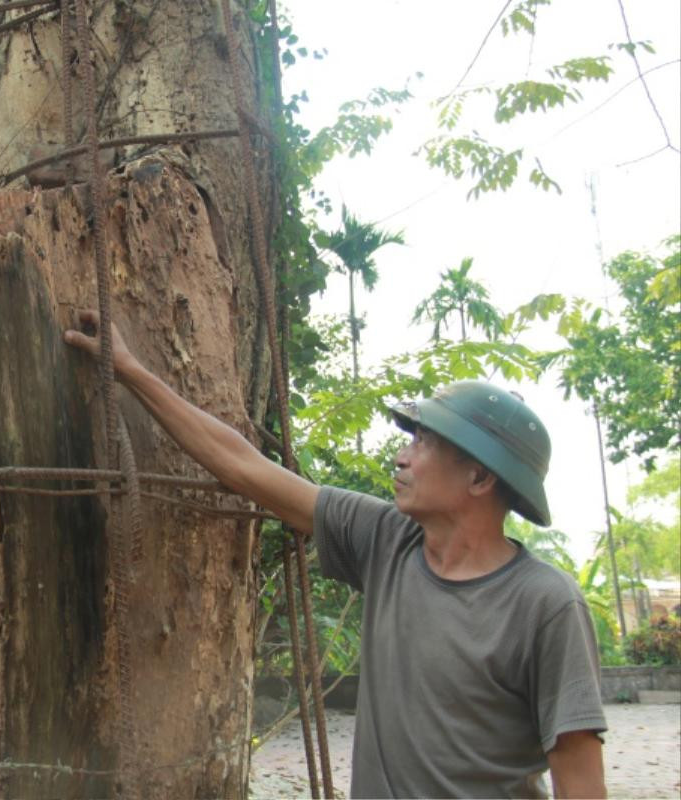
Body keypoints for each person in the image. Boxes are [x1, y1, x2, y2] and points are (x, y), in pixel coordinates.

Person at [64, 309, 607, 799]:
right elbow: (243, 467)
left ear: (480, 476)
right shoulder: (386, 540)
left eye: (423, 442)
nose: (401, 456)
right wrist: (130, 370)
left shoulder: (545, 605)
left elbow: (580, 782)